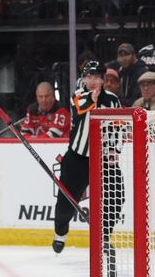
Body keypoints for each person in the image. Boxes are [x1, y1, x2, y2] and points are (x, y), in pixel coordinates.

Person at [52, 61, 122, 254]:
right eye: (88, 77)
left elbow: (118, 127)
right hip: (77, 158)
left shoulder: (113, 100)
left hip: (103, 159)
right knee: (65, 203)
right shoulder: (78, 95)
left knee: (116, 195)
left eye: (96, 77)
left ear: (103, 80)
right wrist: (93, 97)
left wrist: (115, 150)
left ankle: (104, 236)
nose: (91, 81)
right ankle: (60, 232)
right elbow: (82, 108)